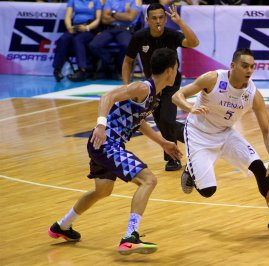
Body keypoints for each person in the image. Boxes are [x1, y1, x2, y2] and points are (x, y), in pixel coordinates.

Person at [48, 48, 183, 255]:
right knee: (149, 180)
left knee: (102, 191)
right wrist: (101, 125)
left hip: (104, 146)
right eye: (176, 68)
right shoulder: (142, 87)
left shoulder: (153, 95)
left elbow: (139, 123)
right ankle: (130, 236)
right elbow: (107, 96)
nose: (177, 72)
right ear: (169, 71)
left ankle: (62, 226)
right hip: (106, 143)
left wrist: (163, 142)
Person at [172, 48, 269, 233]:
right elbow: (176, 96)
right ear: (233, 66)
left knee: (260, 168)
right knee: (208, 191)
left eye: (252, 67)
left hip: (226, 134)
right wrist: (189, 107)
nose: (249, 70)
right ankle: (191, 169)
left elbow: (267, 130)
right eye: (244, 66)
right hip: (198, 134)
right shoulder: (213, 79)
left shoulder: (253, 94)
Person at [122, 3, 199, 171]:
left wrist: (180, 23)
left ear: (165, 19)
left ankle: (173, 159)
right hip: (151, 85)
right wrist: (127, 86)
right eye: (154, 18)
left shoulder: (172, 35)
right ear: (147, 19)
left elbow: (194, 42)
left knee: (165, 119)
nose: (158, 21)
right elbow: (128, 61)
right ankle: (195, 137)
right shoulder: (139, 37)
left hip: (171, 83)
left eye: (161, 17)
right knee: (163, 122)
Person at [89, 0, 142, 79]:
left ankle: (120, 68)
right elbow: (104, 19)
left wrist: (112, 13)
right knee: (93, 45)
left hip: (125, 30)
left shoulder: (134, 1)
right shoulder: (110, 1)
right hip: (110, 29)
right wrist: (123, 16)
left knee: (127, 46)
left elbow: (130, 17)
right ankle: (111, 64)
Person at [52, 0, 102, 82]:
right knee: (63, 39)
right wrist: (69, 28)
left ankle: (82, 70)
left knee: (78, 40)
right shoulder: (73, 0)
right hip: (75, 27)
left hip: (90, 29)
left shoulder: (96, 1)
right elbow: (68, 16)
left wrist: (87, 28)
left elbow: (98, 19)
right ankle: (57, 69)